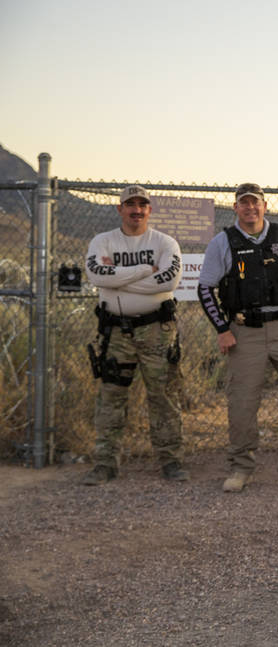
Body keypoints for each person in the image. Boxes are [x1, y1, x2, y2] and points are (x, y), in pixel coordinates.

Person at [197, 182, 278, 493]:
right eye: (244, 203)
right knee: (242, 401)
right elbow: (205, 289)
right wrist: (222, 330)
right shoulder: (222, 242)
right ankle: (242, 466)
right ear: (236, 208)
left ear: (264, 206)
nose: (250, 208)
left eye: (255, 203)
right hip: (245, 331)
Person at [81, 185, 186, 485]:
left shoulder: (165, 242)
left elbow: (168, 281)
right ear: (120, 209)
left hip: (157, 330)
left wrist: (118, 282)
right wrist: (143, 270)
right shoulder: (103, 241)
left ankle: (171, 461)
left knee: (164, 396)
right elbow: (96, 275)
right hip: (115, 330)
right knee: (111, 396)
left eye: (142, 204)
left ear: (150, 210)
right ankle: (104, 463)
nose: (136, 210)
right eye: (130, 204)